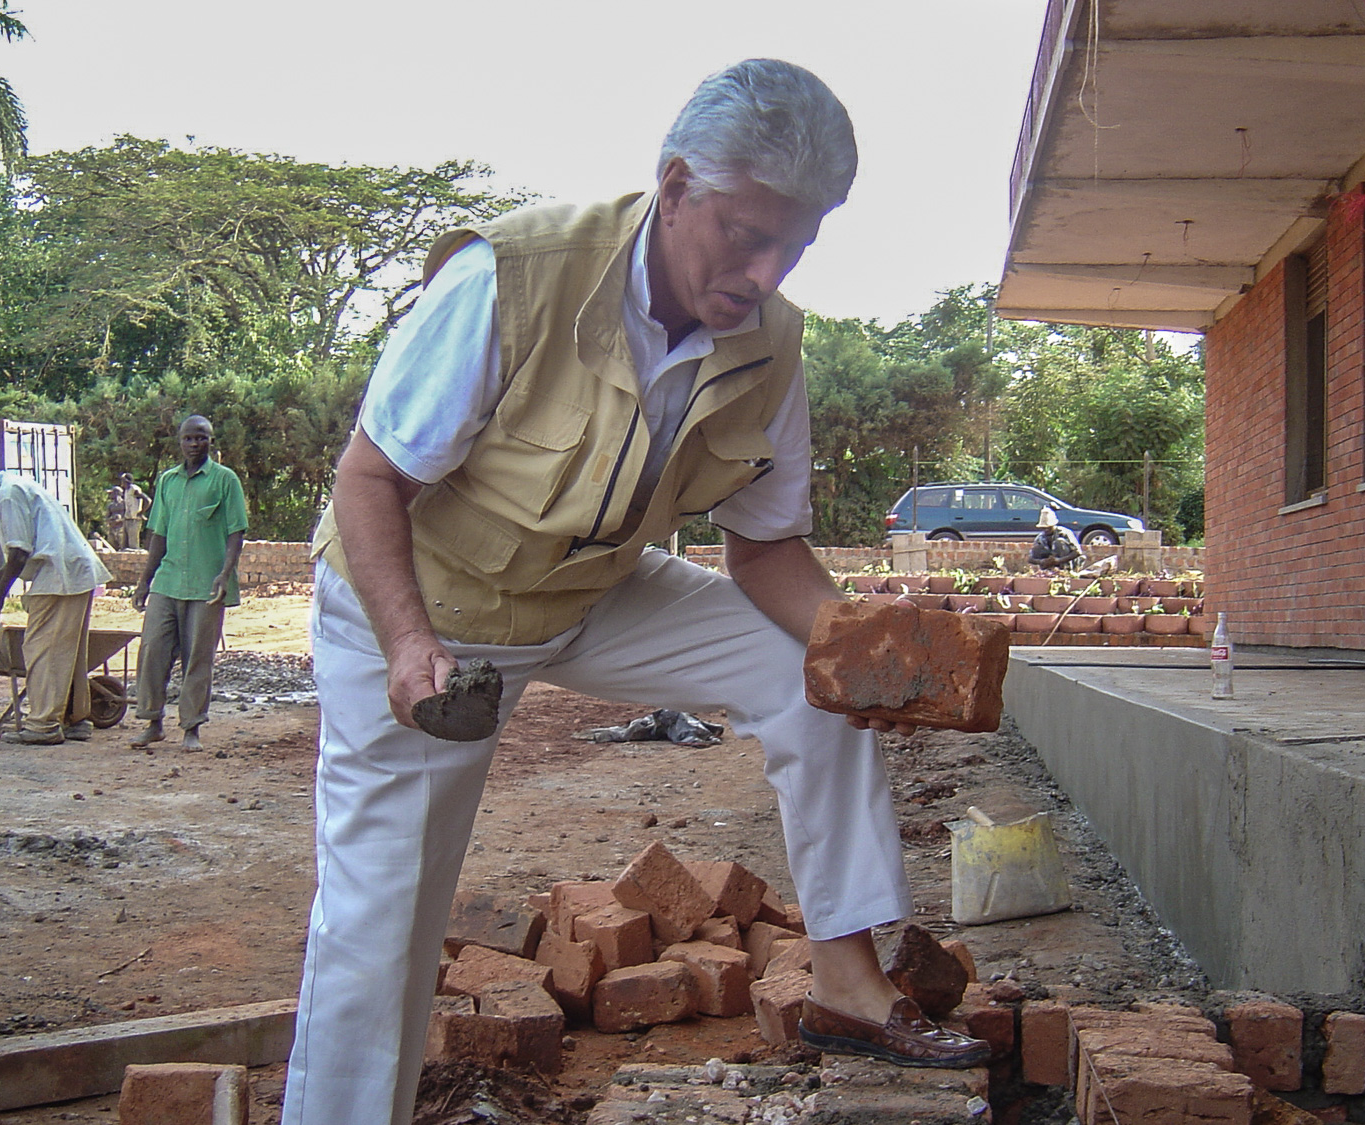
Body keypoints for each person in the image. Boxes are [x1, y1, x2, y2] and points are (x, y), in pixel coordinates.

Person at [284, 60, 988, 1125]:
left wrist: (869, 648)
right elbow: (371, 479)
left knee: (814, 681)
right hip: (428, 613)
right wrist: (406, 644)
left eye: (795, 245)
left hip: (590, 594)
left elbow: (765, 553)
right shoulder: (512, 280)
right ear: (672, 189)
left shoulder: (772, 347)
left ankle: (847, 982)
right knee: (380, 923)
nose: (765, 271)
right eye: (745, 235)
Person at [0, 451, 111, 745]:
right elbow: (30, 542)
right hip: (72, 571)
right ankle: (74, 718)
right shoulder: (18, 485)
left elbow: (19, 552)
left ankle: (43, 725)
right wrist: (3, 575)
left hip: (59, 575)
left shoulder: (8, 494)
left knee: (42, 649)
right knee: (69, 650)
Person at [129, 415, 248, 753]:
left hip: (206, 586)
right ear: (179, 441)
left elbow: (236, 531)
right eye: (189, 438)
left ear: (211, 441)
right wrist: (144, 582)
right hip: (167, 581)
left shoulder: (225, 481)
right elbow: (158, 534)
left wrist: (224, 574)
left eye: (202, 438)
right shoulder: (167, 481)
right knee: (152, 650)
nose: (195, 444)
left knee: (198, 658)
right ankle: (152, 722)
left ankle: (191, 729)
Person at [115, 472, 150, 549]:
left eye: (122, 480)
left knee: (133, 545)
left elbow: (147, 500)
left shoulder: (134, 489)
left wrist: (141, 512)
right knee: (124, 544)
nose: (121, 482)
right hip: (127, 519)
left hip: (134, 520)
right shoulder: (126, 490)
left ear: (126, 481)